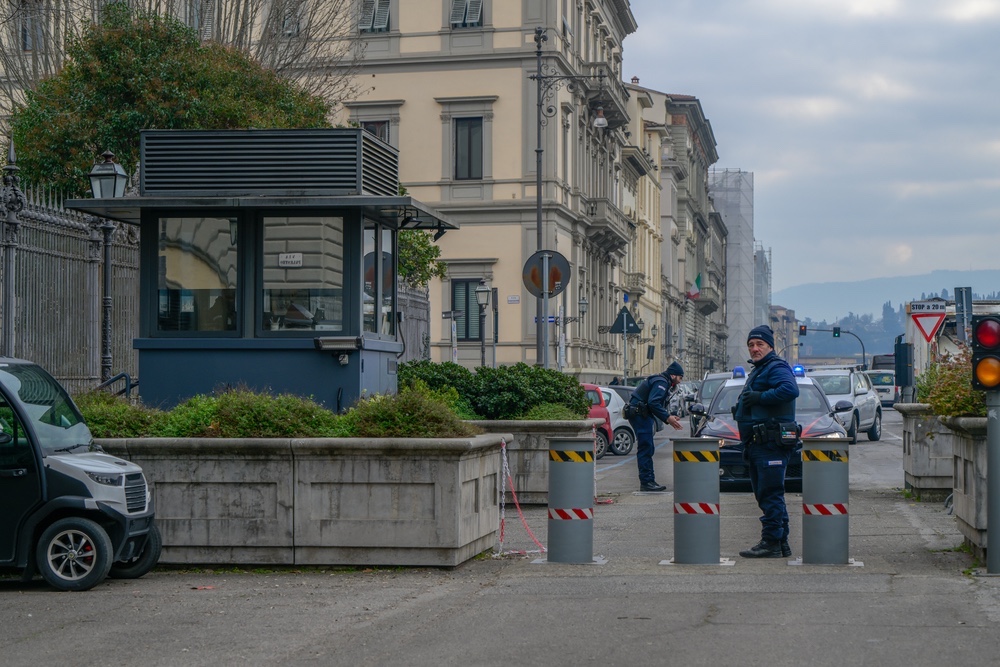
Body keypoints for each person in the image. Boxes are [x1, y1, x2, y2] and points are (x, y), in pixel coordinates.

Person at [734, 325, 800, 558]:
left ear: (770, 346)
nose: (754, 348)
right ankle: (781, 543)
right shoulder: (761, 369)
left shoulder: (775, 367)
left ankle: (771, 542)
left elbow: (790, 390)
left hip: (770, 442)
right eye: (751, 345)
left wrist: (760, 397)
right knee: (769, 494)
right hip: (759, 443)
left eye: (760, 344)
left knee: (769, 493)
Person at [626, 361, 685, 492]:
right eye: (680, 378)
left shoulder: (660, 380)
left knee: (647, 447)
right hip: (640, 415)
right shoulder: (662, 382)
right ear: (673, 375)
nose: (680, 381)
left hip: (641, 414)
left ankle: (649, 481)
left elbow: (654, 403)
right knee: (646, 448)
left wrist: (667, 416)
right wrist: (667, 418)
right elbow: (654, 402)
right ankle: (647, 482)